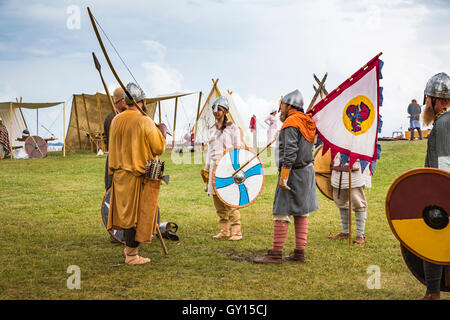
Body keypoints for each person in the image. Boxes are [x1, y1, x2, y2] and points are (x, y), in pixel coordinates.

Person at [253, 89, 318, 264]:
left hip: (294, 172)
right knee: (301, 212)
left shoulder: (291, 122)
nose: (280, 108)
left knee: (281, 211)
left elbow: (290, 151)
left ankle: (275, 254)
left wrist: (284, 175)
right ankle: (299, 252)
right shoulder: (307, 121)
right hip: (307, 171)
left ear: (289, 105)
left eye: (282, 104)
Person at [107, 83, 167, 265]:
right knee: (135, 217)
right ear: (141, 101)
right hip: (137, 175)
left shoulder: (116, 120)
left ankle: (129, 252)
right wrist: (161, 133)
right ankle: (132, 256)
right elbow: (158, 147)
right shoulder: (144, 120)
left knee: (126, 216)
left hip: (119, 175)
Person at [419, 72, 450, 300]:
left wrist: (436, 201)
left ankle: (433, 292)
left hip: (444, 194)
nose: (426, 104)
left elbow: (443, 165)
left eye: (428, 99)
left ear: (436, 101)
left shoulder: (442, 124)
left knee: (432, 238)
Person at [202, 96, 244, 241]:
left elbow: (237, 149)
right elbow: (209, 151)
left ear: (225, 110)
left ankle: (237, 231)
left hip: (227, 167)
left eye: (219, 109)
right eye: (215, 109)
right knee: (217, 201)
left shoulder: (233, 129)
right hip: (214, 168)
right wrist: (207, 169)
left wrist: (236, 168)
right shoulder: (212, 130)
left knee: (229, 200)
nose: (216, 112)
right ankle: (224, 230)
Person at [327, 157, 371, 244]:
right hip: (338, 169)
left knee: (358, 204)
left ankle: (360, 235)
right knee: (341, 202)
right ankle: (345, 232)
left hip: (355, 169)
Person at [104, 87, 127, 191]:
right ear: (121, 101)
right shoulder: (111, 118)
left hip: (126, 162)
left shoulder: (127, 116)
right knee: (112, 192)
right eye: (125, 99)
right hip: (115, 160)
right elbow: (109, 142)